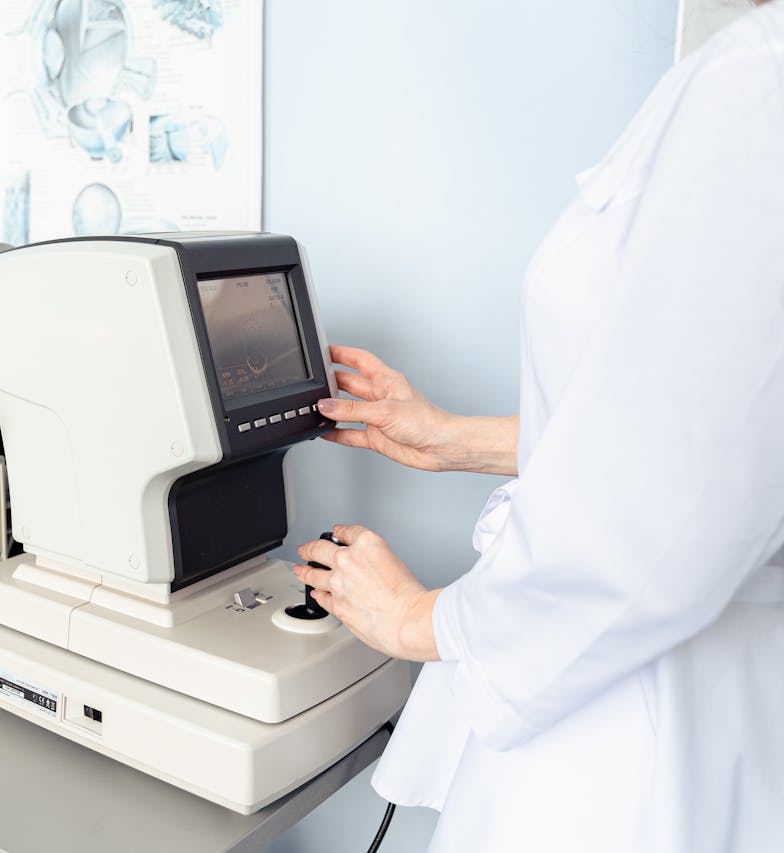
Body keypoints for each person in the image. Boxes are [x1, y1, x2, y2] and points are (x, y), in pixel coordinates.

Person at [293, 4, 784, 851]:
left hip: (631, 726)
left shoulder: (759, 85)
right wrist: (455, 438)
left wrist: (423, 622)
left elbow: (661, 525)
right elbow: (715, 430)